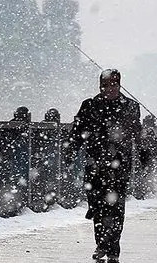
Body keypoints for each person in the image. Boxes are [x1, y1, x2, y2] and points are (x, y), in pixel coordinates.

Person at [63, 69, 149, 263]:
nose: (109, 89)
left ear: (119, 85)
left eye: (113, 85)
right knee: (97, 204)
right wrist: (70, 153)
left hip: (119, 165)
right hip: (95, 164)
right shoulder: (90, 106)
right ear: (100, 86)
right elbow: (77, 133)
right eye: (105, 85)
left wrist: (144, 154)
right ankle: (102, 242)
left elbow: (137, 133)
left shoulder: (130, 107)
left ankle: (112, 249)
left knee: (116, 208)